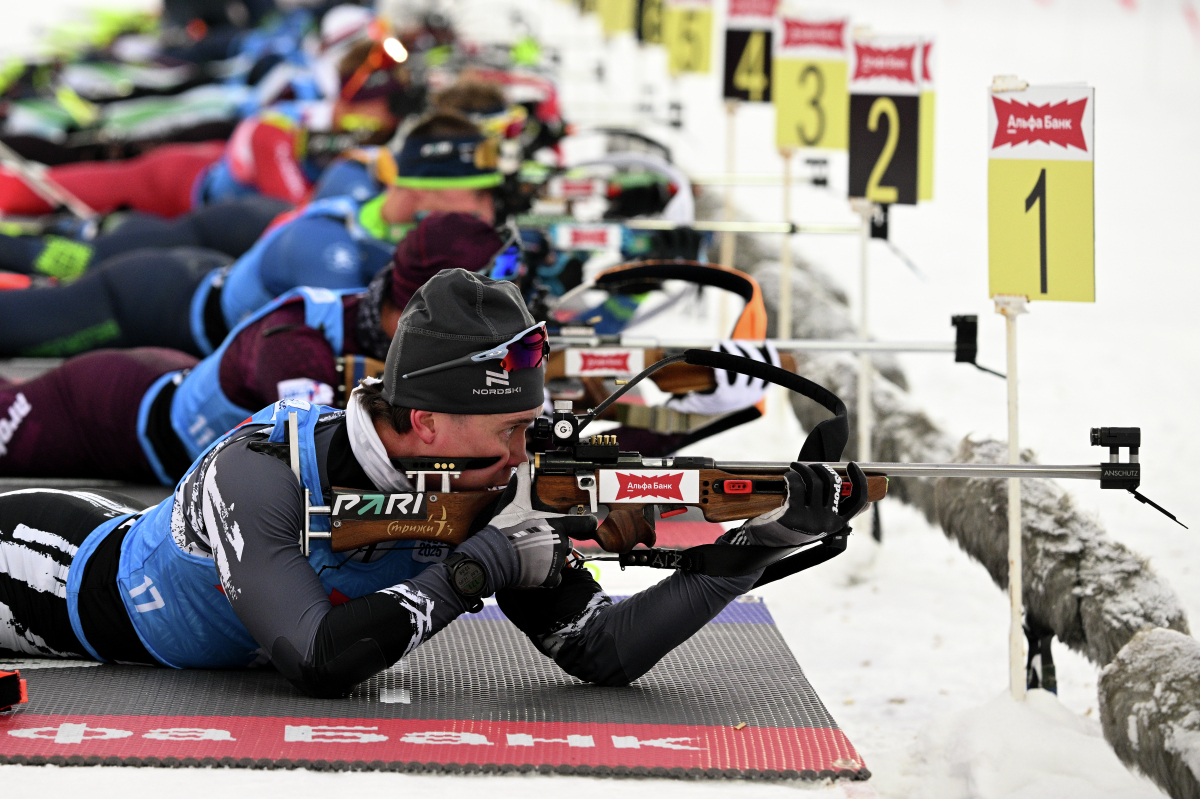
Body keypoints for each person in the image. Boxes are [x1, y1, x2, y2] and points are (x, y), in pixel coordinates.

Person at [0, 267, 867, 700]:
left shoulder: (486, 485)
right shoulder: (258, 471)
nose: (526, 450)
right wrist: (476, 567)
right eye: (510, 430)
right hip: (48, 574)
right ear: (424, 423)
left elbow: (599, 649)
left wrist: (759, 542)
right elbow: (316, 662)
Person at [0, 111, 501, 358]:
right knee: (28, 303)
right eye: (477, 193)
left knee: (42, 289)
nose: (487, 209)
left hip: (194, 273)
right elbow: (379, 352)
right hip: (150, 301)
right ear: (423, 189)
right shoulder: (330, 254)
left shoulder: (366, 190)